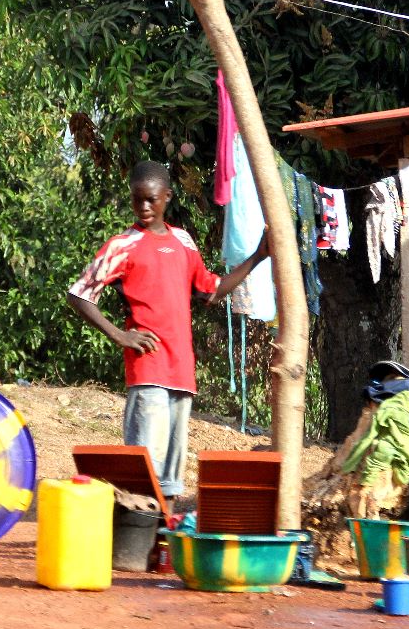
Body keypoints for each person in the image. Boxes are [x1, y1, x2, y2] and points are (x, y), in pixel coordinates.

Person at [67, 160, 269, 514]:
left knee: (171, 478)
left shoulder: (182, 241)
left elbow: (213, 289)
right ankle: (135, 550)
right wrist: (119, 335)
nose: (144, 207)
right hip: (148, 371)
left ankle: (162, 548)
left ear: (167, 198)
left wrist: (258, 257)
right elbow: (80, 293)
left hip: (181, 372)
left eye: (151, 200)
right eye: (137, 200)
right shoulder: (122, 245)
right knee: (145, 468)